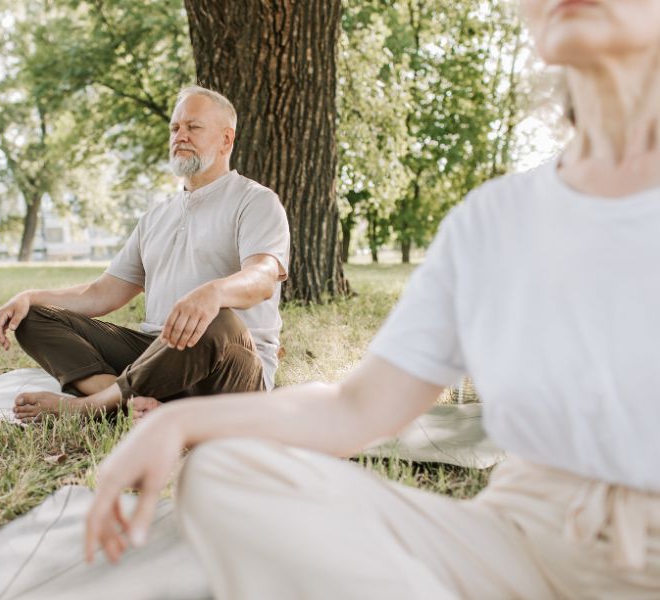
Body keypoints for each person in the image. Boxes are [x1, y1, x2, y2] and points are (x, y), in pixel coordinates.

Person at [84, 1, 660, 598]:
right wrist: (179, 422)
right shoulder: (494, 219)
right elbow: (356, 408)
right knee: (227, 471)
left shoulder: (253, 202)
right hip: (516, 532)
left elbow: (263, 272)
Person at [0, 86, 290, 423]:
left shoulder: (256, 201)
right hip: (156, 357)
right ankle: (130, 402)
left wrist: (214, 292)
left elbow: (264, 277)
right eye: (175, 128)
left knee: (217, 317)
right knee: (35, 315)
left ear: (226, 140)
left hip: (228, 370)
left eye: (193, 127)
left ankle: (94, 405)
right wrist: (30, 297)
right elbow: (101, 294)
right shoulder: (155, 217)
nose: (180, 135)